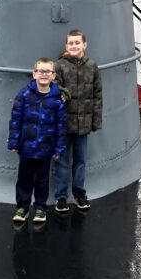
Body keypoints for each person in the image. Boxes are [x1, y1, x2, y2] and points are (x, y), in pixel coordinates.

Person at [8, 58, 66, 225]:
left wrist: (58, 148)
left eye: (48, 72)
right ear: (34, 74)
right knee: (24, 179)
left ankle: (40, 207)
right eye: (41, 71)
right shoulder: (24, 95)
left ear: (53, 76)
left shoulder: (57, 99)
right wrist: (14, 142)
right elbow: (15, 120)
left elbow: (61, 126)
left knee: (42, 180)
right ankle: (22, 207)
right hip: (26, 147)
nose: (44, 74)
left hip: (45, 149)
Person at [53, 29, 102, 213]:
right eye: (71, 43)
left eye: (77, 42)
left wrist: (95, 120)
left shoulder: (92, 66)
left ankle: (79, 193)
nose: (74, 46)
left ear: (84, 45)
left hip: (83, 124)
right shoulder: (59, 66)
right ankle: (61, 197)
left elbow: (97, 95)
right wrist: (64, 92)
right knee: (62, 161)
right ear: (66, 46)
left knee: (80, 160)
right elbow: (55, 86)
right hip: (64, 124)